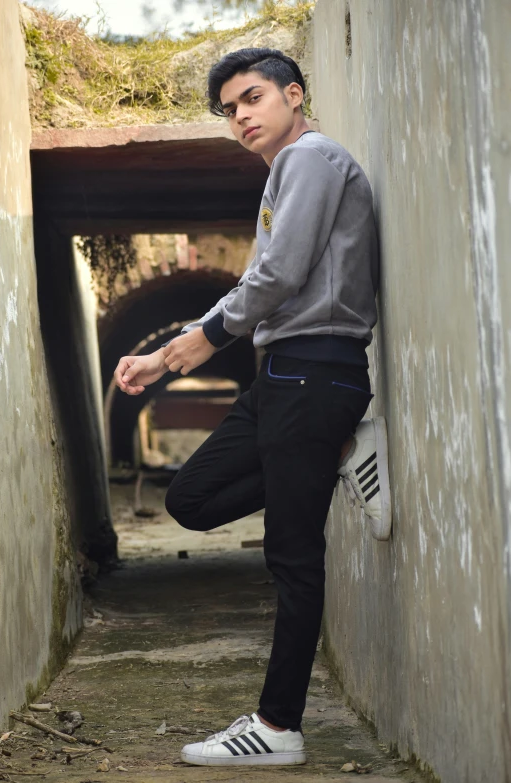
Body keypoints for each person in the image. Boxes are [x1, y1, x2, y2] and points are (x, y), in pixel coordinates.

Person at [114, 47, 392, 767]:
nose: (240, 115)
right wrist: (169, 349)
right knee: (192, 498)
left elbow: (278, 274)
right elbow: (265, 280)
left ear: (293, 95)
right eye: (229, 108)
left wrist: (201, 337)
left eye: (252, 97)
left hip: (319, 369)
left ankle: (278, 727)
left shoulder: (312, 159)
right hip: (285, 377)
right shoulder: (284, 175)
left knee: (293, 555)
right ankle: (334, 455)